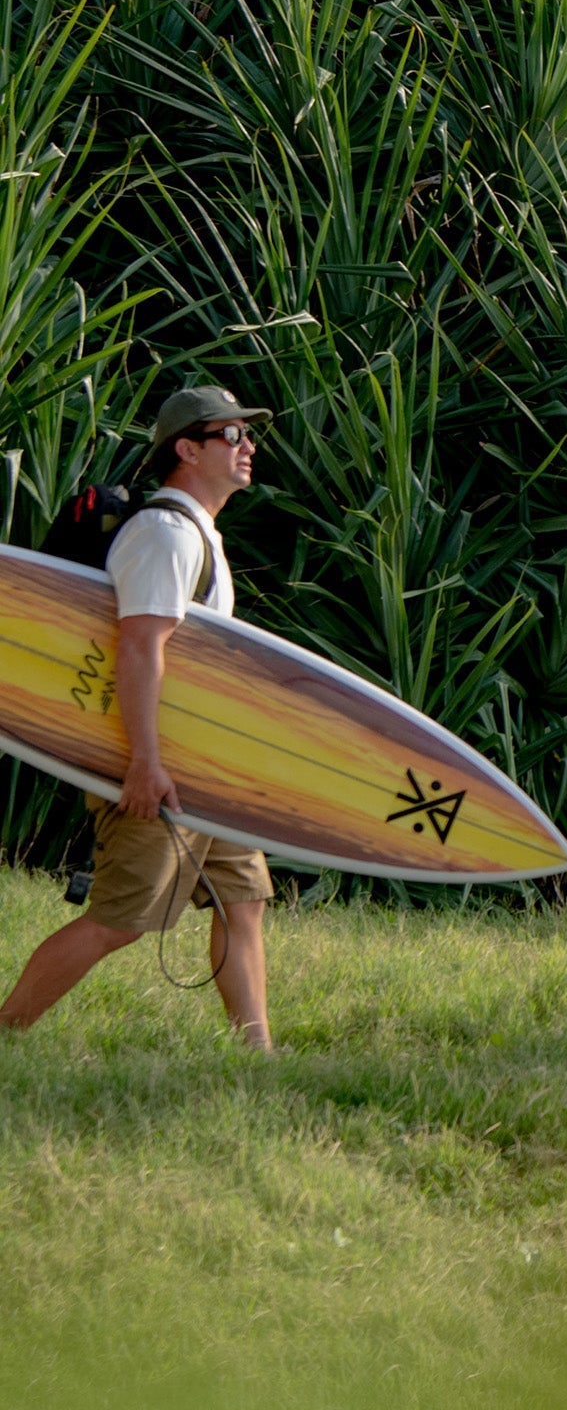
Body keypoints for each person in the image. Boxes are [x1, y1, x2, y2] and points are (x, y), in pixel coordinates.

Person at [2, 386, 278, 1050]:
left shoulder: (198, 532)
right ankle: (7, 1030)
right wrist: (145, 764)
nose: (248, 447)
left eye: (248, 435)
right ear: (188, 449)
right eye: (232, 435)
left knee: (243, 903)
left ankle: (258, 1053)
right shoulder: (165, 535)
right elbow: (139, 646)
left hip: (199, 762)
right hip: (156, 761)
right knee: (121, 920)